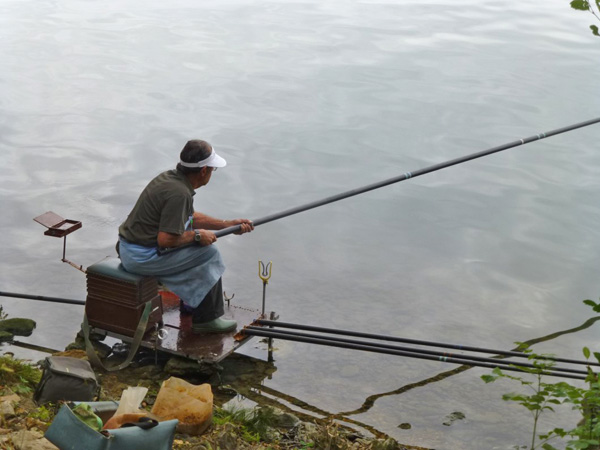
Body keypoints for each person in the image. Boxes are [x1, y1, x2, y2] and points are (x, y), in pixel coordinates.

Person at [117, 139, 253, 334]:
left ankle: (191, 304)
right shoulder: (179, 193)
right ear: (204, 171)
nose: (212, 174)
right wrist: (198, 237)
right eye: (213, 170)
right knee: (208, 253)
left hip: (129, 247)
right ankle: (207, 319)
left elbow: (189, 217)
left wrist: (227, 224)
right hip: (140, 257)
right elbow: (166, 240)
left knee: (197, 249)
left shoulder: (171, 180)